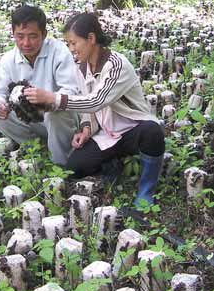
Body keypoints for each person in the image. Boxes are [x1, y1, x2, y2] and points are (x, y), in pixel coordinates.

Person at [25, 13, 165, 207]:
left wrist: (52, 98)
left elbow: (96, 101)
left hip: (133, 129)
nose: (71, 49)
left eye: (74, 43)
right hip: (107, 134)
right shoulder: (81, 68)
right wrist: (86, 129)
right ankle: (111, 165)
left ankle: (146, 190)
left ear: (91, 38)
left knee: (153, 131)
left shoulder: (116, 64)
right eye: (69, 44)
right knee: (74, 168)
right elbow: (87, 107)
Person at [0, 5, 79, 166]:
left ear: (44, 34)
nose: (26, 43)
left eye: (33, 36)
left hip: (62, 120)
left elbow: (71, 91)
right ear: (13, 34)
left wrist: (49, 100)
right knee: (0, 117)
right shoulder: (8, 60)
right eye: (20, 36)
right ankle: (37, 148)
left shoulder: (59, 52)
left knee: (55, 114)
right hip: (31, 119)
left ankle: (61, 162)